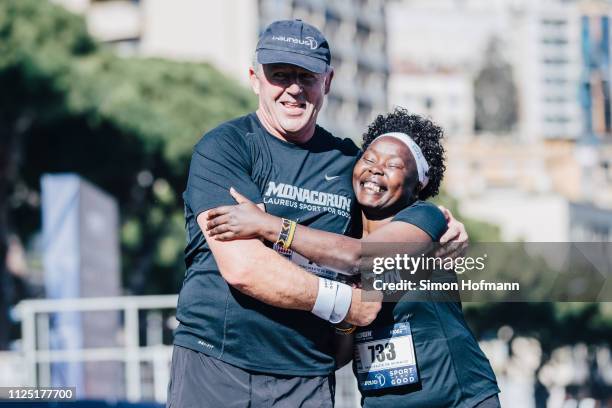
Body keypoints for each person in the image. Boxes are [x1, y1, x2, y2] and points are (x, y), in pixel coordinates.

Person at [168, 19, 467, 408]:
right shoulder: (224, 148)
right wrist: (346, 305)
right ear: (255, 78)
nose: (294, 88)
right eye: (280, 75)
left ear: (327, 81)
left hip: (308, 377)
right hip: (218, 364)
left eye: (306, 76)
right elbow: (246, 269)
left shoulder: (348, 163)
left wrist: (444, 229)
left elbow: (388, 231)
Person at [207, 108, 500, 407]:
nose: (376, 169)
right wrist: (348, 317)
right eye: (369, 159)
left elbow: (363, 258)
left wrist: (268, 225)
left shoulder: (424, 218)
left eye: (393, 165)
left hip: (459, 399)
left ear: (419, 184)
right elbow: (340, 355)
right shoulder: (338, 239)